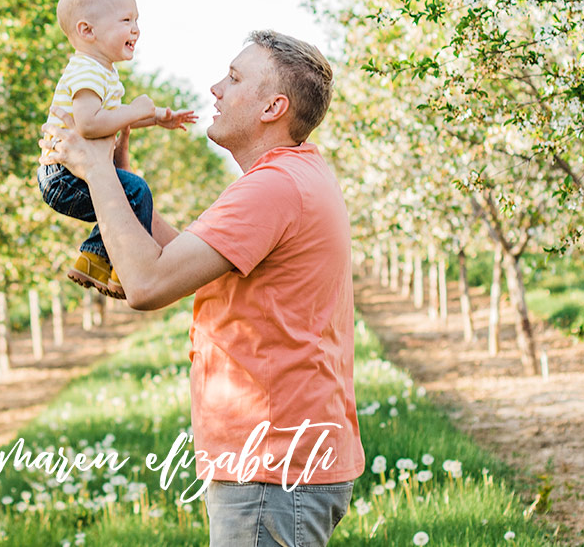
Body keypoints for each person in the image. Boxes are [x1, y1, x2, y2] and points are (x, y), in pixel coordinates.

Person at [49, 30, 364, 547]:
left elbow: (148, 284)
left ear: (273, 107)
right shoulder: (286, 176)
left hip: (272, 461)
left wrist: (98, 171)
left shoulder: (272, 187)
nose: (216, 88)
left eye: (234, 78)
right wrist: (124, 177)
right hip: (277, 457)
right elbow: (173, 260)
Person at [38, 0, 195, 298]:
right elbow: (89, 124)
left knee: (134, 196)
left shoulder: (101, 71)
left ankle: (105, 262)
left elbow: (110, 115)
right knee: (135, 192)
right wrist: (136, 109)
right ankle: (108, 261)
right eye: (126, 20)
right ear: (87, 31)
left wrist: (157, 117)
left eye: (137, 21)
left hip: (71, 173)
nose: (136, 29)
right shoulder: (86, 72)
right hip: (64, 176)